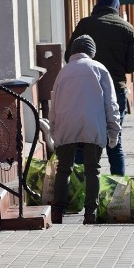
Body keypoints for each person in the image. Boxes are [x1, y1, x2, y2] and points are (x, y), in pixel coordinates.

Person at [65, 0, 134, 176]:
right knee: (115, 143)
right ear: (117, 7)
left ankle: (80, 191)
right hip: (116, 90)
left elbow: (68, 57)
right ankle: (117, 194)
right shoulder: (127, 28)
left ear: (97, 5)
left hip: (86, 91)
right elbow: (131, 66)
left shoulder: (85, 24)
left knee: (83, 143)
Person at [49, 35, 121, 225]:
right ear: (91, 52)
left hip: (67, 124)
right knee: (93, 170)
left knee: (63, 169)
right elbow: (111, 104)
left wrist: (54, 131)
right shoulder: (99, 69)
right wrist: (114, 131)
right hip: (93, 124)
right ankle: (90, 213)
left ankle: (57, 213)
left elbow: (54, 105)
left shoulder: (63, 72)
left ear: (73, 51)